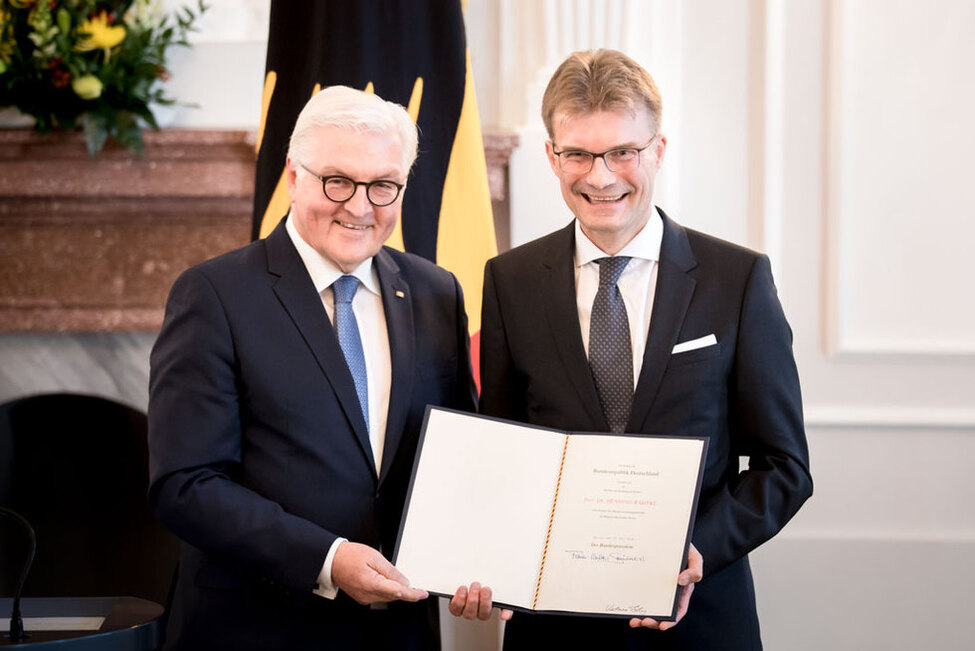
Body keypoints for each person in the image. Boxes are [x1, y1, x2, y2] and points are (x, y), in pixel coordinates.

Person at [449, 49, 812, 650]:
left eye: (623, 151)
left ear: (658, 150)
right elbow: (502, 453)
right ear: (551, 156)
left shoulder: (737, 279)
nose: (600, 175)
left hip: (700, 619)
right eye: (579, 154)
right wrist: (490, 557)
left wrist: (700, 552)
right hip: (555, 629)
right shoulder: (508, 282)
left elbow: (785, 467)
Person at [148, 85, 477, 650]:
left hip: (400, 630)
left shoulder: (434, 291)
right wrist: (328, 560)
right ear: (293, 175)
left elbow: (463, 454)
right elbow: (185, 484)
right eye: (337, 181)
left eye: (382, 185)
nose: (359, 206)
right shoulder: (214, 294)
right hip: (258, 629)